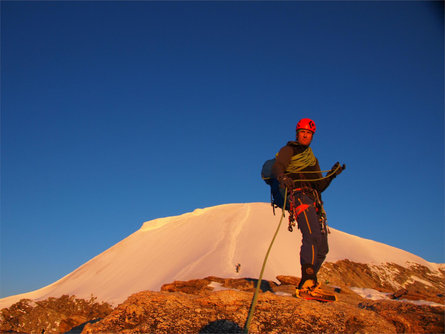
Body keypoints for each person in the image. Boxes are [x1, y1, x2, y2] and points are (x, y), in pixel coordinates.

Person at [271, 118, 344, 298]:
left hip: (314, 200)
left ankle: (310, 282)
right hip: (299, 196)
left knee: (323, 247)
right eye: (303, 131)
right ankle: (307, 282)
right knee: (311, 235)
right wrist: (282, 177)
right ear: (297, 133)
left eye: (309, 133)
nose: (306, 135)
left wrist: (332, 176)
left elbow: (318, 185)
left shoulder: (312, 159)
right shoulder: (289, 150)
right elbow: (277, 166)